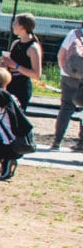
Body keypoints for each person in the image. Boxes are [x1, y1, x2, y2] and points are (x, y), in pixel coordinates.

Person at [51, 19, 83, 151]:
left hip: (68, 76)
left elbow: (61, 54)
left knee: (66, 108)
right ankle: (81, 142)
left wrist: (64, 69)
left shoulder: (74, 33)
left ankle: (57, 141)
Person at [1, 13, 42, 108]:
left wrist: (15, 66)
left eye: (15, 23)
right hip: (9, 84)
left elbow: (36, 74)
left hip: (21, 88)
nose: (13, 25)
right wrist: (5, 65)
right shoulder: (15, 43)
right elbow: (10, 65)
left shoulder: (33, 48)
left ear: (22, 26)